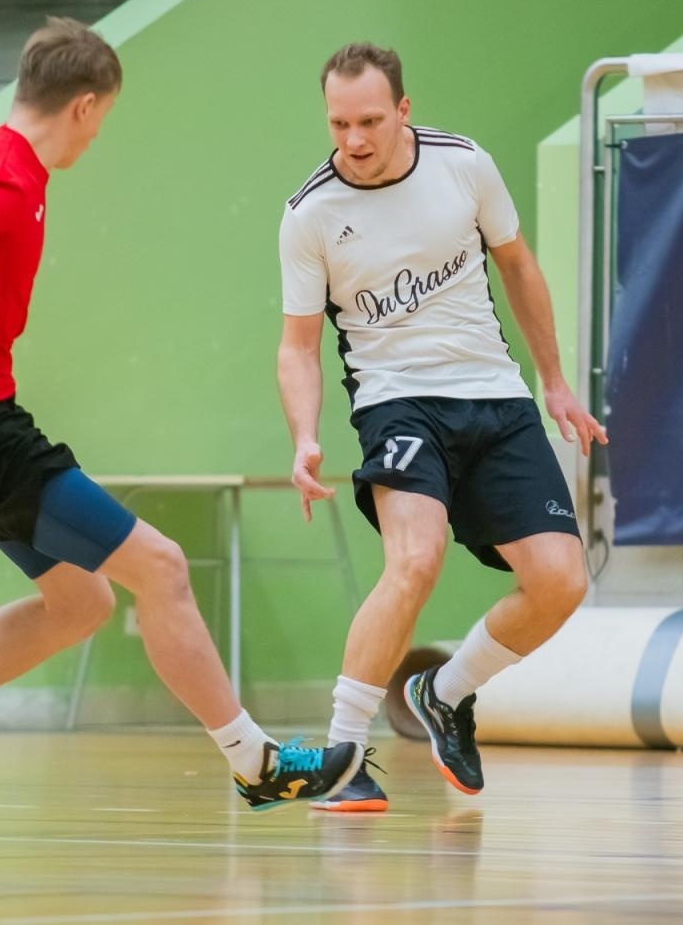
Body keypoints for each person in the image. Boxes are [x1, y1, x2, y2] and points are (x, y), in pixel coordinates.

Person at [0, 18, 360, 831]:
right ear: (85, 105)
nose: (96, 136)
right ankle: (257, 763)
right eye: (101, 120)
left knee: (79, 603)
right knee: (163, 567)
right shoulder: (3, 180)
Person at [275, 42, 606, 812]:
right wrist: (305, 436)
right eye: (338, 123)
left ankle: (444, 690)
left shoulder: (464, 165)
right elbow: (297, 346)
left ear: (403, 109)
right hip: (397, 402)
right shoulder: (311, 213)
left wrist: (554, 381)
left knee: (561, 582)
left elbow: (518, 266)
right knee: (415, 559)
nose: (353, 139)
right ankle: (342, 756)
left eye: (368, 121)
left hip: (494, 396)